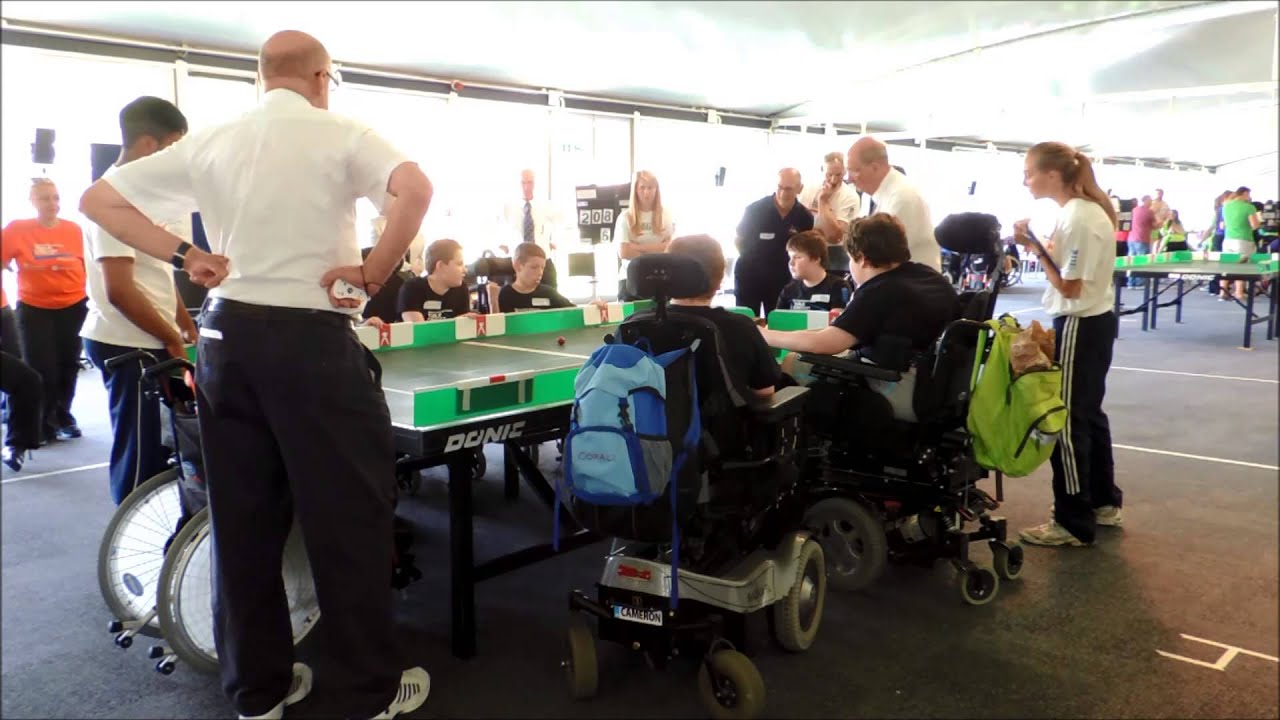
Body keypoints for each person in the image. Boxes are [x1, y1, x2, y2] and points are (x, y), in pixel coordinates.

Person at [79, 29, 432, 720]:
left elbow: (99, 201)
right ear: (322, 77)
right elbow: (414, 189)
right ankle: (368, 694)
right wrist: (371, 270)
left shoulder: (213, 140)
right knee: (347, 520)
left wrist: (187, 255)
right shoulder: (343, 133)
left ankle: (257, 693)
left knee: (241, 522)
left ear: (261, 75)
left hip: (226, 338)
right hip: (310, 339)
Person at [80, 97, 197, 505]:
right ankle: (129, 554)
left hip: (149, 337)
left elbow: (156, 273)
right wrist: (171, 338)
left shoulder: (145, 197)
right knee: (141, 457)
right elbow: (121, 290)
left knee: (165, 449)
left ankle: (162, 540)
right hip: (129, 342)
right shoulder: (113, 198)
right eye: (172, 147)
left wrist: (183, 320)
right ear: (149, 145)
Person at [1012, 141, 1122, 548]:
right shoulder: (1082, 212)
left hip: (1080, 322)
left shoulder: (1078, 216)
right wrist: (1036, 243)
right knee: (1089, 415)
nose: (1025, 180)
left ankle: (1073, 519)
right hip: (1096, 322)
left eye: (1029, 172)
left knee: (1069, 421)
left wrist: (1037, 249)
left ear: (1053, 175)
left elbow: (1069, 286)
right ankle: (1103, 503)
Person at [759, 214, 959, 420]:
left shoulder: (880, 290)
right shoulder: (930, 278)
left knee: (793, 363)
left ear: (862, 258)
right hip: (939, 386)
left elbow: (826, 343)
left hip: (898, 386)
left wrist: (765, 335)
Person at [1, 178, 90, 443]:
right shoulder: (17, 230)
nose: (51, 203)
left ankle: (63, 416)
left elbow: (88, 267)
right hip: (34, 308)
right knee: (41, 368)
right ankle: (42, 422)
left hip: (73, 306)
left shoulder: (74, 230)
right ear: (32, 202)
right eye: (44, 198)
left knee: (68, 365)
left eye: (55, 197)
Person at [665, 235, 779, 399]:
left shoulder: (635, 326)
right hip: (723, 423)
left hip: (651, 423)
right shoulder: (740, 327)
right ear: (719, 281)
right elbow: (764, 392)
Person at [845, 137, 941, 272]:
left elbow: (883, 257)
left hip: (911, 285)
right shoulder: (870, 195)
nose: (848, 178)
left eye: (854, 170)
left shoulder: (903, 197)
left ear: (874, 167)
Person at [734, 168, 814, 316]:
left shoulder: (804, 217)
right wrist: (751, 258)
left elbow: (804, 250)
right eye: (780, 187)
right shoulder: (755, 210)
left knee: (779, 321)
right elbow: (739, 239)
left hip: (783, 278)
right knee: (747, 322)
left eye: (789, 189)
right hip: (750, 275)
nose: (783, 194)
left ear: (799, 189)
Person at [491, 242, 607, 314]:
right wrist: (493, 301)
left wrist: (591, 307)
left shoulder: (548, 293)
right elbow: (497, 327)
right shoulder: (505, 294)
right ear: (517, 266)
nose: (540, 272)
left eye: (542, 268)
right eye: (534, 267)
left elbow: (574, 311)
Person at [614, 170, 674, 300]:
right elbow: (624, 252)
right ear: (635, 190)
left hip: (660, 279)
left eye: (650, 188)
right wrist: (657, 248)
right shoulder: (625, 218)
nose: (646, 192)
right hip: (630, 279)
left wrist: (638, 247)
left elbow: (670, 249)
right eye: (642, 188)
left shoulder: (666, 216)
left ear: (656, 190)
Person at [798, 152, 860, 275]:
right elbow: (800, 226)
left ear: (845, 172)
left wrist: (823, 201)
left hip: (835, 255)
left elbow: (835, 236)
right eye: (829, 174)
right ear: (822, 170)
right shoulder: (809, 189)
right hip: (807, 250)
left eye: (839, 175)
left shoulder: (850, 196)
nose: (833, 180)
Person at [498, 168, 560, 287]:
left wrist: (554, 241)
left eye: (530, 182)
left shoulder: (546, 205)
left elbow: (563, 223)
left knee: (551, 298)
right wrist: (501, 244)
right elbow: (495, 228)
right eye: (523, 183)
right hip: (519, 262)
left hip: (543, 260)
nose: (527, 187)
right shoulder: (507, 207)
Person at [775, 229, 853, 312]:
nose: (791, 263)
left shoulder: (839, 286)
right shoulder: (788, 290)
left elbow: (837, 321)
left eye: (798, 257)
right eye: (790, 257)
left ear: (816, 258)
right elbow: (777, 321)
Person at [399, 238, 472, 321]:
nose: (465, 270)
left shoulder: (461, 289)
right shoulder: (412, 288)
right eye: (459, 264)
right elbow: (418, 331)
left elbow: (462, 330)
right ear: (440, 265)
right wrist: (455, 323)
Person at [1220, 186, 1263, 301]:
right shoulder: (1249, 207)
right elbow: (1254, 225)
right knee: (1242, 267)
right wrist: (1260, 223)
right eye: (1248, 195)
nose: (1249, 197)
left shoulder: (1226, 206)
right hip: (1243, 240)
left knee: (1227, 266)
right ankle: (1238, 292)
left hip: (1228, 239)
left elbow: (1223, 225)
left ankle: (1222, 291)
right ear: (1244, 193)